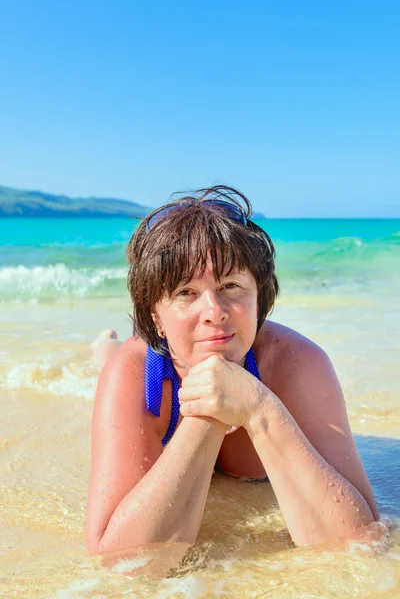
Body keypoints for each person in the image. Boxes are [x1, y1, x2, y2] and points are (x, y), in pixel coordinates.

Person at [86, 185, 378, 556]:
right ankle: (103, 344)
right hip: (157, 358)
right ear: (155, 315)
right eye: (186, 292)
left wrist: (258, 408)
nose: (215, 311)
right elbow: (119, 560)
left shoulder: (296, 363)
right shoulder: (134, 374)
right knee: (107, 357)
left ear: (261, 296)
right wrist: (206, 411)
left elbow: (361, 546)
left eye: (231, 286)